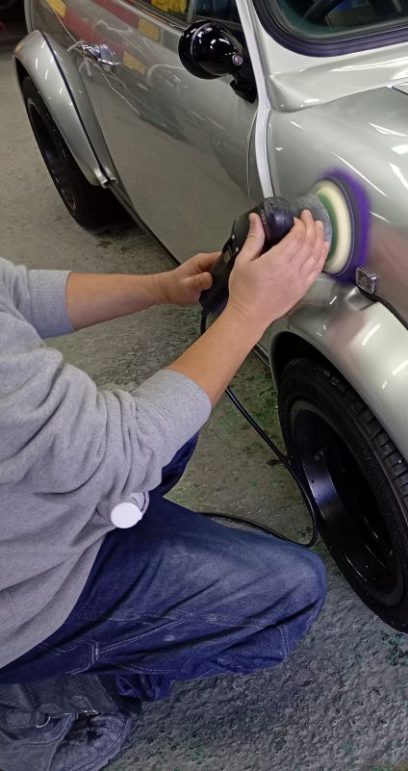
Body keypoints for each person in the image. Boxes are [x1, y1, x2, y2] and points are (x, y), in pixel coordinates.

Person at [0, 211, 330, 771]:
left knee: (169, 423)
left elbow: (14, 293)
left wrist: (159, 287)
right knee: (289, 592)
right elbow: (121, 448)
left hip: (23, 521)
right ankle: (43, 705)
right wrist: (249, 313)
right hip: (15, 598)